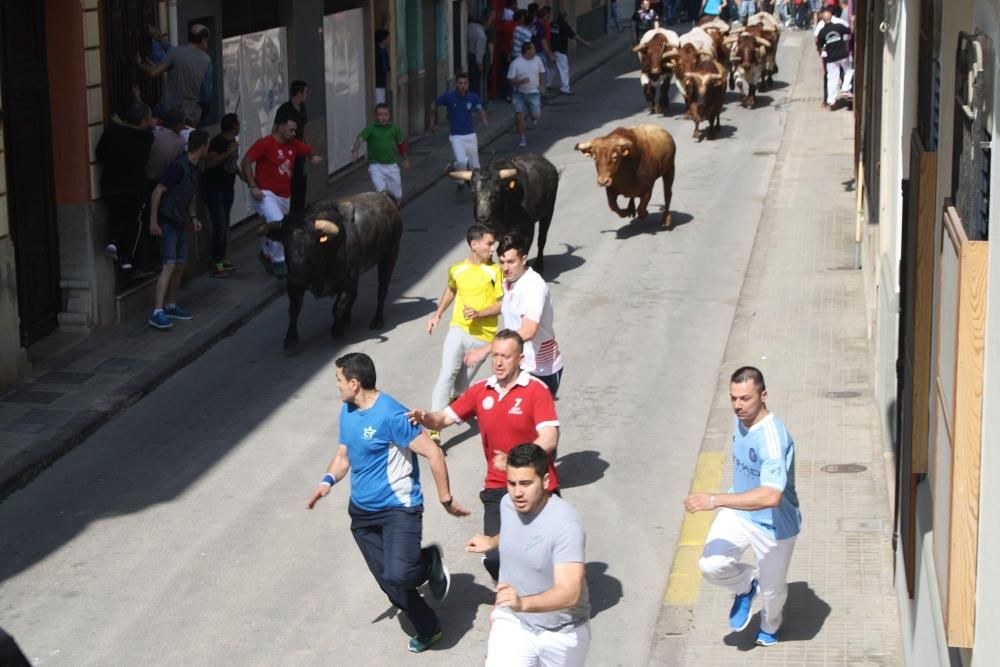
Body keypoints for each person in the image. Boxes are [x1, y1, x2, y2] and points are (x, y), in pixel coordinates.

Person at [306, 353, 470, 654]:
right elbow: (343, 455)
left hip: (398, 509)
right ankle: (429, 627)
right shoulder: (348, 410)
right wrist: (326, 481)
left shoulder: (392, 415)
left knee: (400, 573)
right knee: (388, 581)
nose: (338, 386)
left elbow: (433, 453)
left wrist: (445, 498)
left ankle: (428, 561)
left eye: (339, 381)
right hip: (362, 513)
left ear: (354, 383)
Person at [408, 329, 560, 581]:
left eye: (506, 357)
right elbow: (444, 418)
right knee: (495, 557)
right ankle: (516, 601)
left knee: (542, 555)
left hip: (538, 486)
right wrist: (427, 418)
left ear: (520, 360)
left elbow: (549, 438)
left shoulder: (536, 390)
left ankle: (538, 600)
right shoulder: (481, 391)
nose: (498, 362)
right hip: (498, 487)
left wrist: (514, 461)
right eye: (495, 356)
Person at [684, 367, 801, 647]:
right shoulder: (741, 421)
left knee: (773, 594)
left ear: (764, 396)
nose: (738, 405)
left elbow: (772, 496)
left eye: (745, 398)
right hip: (739, 512)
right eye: (733, 398)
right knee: (711, 565)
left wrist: (715, 500)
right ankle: (746, 585)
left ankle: (771, 626)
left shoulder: (772, 438)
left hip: (775, 526)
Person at [466, 444, 590, 666]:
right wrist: (492, 542)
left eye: (526, 483)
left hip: (561, 633)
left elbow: (570, 593)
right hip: (514, 622)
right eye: (511, 483)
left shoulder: (566, 524)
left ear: (545, 482)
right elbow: (517, 534)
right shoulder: (508, 504)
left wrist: (522, 602)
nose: (517, 492)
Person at [425, 225, 503, 443]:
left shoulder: (495, 271)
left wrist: (479, 313)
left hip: (483, 338)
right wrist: (437, 315)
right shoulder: (457, 269)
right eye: (489, 243)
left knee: (460, 387)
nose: (493, 248)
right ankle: (434, 428)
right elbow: (451, 289)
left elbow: (503, 304)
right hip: (458, 329)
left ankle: (455, 398)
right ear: (474, 245)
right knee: (446, 375)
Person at [467, 233, 564, 397]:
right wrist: (480, 313)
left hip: (540, 370)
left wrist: (488, 349)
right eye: (502, 262)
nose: (505, 268)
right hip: (517, 365)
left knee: (531, 422)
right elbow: (507, 304)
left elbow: (528, 330)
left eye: (511, 262)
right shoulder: (510, 281)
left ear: (524, 259)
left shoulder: (533, 286)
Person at [242, 115, 323, 279]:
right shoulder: (265, 143)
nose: (293, 133)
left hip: (285, 197)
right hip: (265, 194)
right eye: (291, 129)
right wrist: (253, 186)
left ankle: (266, 254)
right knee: (280, 225)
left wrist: (313, 156)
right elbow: (246, 161)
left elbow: (308, 150)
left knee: (273, 226)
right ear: (280, 127)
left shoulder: (294, 145)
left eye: (295, 130)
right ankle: (280, 262)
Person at [147, 130, 209, 330]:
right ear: (202, 147)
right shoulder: (178, 168)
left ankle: (171, 305)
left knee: (180, 265)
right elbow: (158, 191)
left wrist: (192, 217)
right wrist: (154, 222)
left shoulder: (194, 169)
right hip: (168, 222)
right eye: (207, 145)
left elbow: (189, 195)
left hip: (180, 222)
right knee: (169, 266)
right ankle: (157, 311)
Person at [97, 101, 154, 273]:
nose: (150, 122)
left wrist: (120, 125)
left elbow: (100, 153)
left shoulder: (112, 132)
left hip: (110, 186)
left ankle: (113, 242)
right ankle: (126, 259)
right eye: (149, 119)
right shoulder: (147, 137)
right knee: (133, 222)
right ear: (143, 120)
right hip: (134, 189)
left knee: (117, 215)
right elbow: (136, 132)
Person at [137, 24, 212, 127]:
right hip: (189, 116)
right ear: (204, 40)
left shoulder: (176, 52)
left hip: (167, 110)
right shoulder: (207, 61)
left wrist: (140, 65)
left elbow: (153, 72)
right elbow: (206, 95)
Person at [430, 73, 488, 194]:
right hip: (456, 136)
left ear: (468, 85)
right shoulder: (449, 97)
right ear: (456, 84)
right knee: (460, 161)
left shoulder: (473, 97)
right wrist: (432, 122)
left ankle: (477, 188)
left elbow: (480, 109)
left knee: (475, 166)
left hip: (471, 136)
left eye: (465, 83)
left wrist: (483, 118)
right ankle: (461, 183)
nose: (462, 86)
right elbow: (433, 103)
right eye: (460, 83)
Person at [202, 113, 241, 277]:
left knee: (224, 224)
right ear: (234, 127)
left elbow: (232, 164)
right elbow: (210, 163)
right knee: (219, 225)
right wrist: (227, 152)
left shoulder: (232, 142)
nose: (239, 127)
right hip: (214, 190)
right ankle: (216, 261)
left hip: (227, 189)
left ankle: (222, 257)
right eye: (238, 124)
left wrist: (243, 176)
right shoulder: (218, 142)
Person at [352, 103, 410, 204]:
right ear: (376, 116)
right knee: (382, 194)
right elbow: (360, 139)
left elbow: (400, 144)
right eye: (380, 114)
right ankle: (386, 215)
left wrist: (405, 159)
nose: (383, 117)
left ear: (389, 115)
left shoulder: (394, 128)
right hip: (376, 166)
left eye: (386, 114)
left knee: (397, 195)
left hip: (392, 166)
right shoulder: (371, 128)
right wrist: (355, 151)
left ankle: (395, 210)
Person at [274, 80, 309, 210]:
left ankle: (300, 211)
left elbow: (304, 129)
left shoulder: (302, 107)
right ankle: (290, 213)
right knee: (290, 184)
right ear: (298, 94)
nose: (306, 95)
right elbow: (275, 130)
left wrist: (308, 149)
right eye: (305, 92)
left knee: (302, 182)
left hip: (300, 152)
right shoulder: (284, 110)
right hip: (287, 153)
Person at [508, 42, 546, 147]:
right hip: (519, 93)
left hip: (534, 92)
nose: (535, 51)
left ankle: (532, 114)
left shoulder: (538, 60)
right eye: (533, 49)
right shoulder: (516, 63)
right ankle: (522, 138)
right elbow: (510, 79)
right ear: (528, 51)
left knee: (536, 115)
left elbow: (541, 72)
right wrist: (520, 82)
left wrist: (542, 85)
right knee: (519, 116)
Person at [816, 4, 853, 109]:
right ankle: (846, 88)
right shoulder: (839, 26)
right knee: (849, 71)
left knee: (832, 78)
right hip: (842, 55)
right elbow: (851, 31)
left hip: (831, 58)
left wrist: (823, 51)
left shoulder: (822, 32)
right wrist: (853, 21)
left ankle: (831, 101)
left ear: (822, 19)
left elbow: (819, 46)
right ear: (832, 16)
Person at [549, 11, 591, 95]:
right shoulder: (564, 25)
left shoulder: (553, 24)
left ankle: (547, 85)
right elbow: (574, 36)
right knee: (564, 69)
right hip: (560, 50)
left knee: (552, 69)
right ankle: (565, 88)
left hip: (552, 50)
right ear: (565, 17)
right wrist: (585, 43)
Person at [468, 14, 490, 98]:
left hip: (469, 55)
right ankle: (476, 100)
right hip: (475, 58)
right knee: (476, 81)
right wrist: (480, 64)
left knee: (471, 79)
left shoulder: (470, 26)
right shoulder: (482, 35)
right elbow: (479, 50)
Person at [374, 30, 391, 104]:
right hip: (378, 83)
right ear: (383, 40)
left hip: (383, 83)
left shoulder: (384, 51)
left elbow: (386, 68)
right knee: (379, 103)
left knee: (382, 102)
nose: (388, 40)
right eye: (387, 38)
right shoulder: (376, 52)